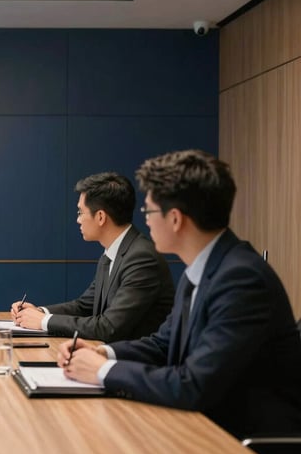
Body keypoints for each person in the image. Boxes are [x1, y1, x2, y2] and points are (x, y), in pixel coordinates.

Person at [57, 150, 301, 438]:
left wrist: (103, 370)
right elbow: (164, 344)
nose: (144, 222)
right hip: (201, 425)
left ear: (175, 219)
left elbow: (194, 385)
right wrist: (102, 351)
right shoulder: (202, 267)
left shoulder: (242, 279)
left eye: (149, 212)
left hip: (238, 441)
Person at [11, 172, 174, 341]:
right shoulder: (111, 253)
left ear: (101, 217)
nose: (78, 220)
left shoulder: (141, 258)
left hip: (135, 363)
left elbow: (109, 327)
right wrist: (40, 312)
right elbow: (84, 306)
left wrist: (44, 321)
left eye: (80, 212)